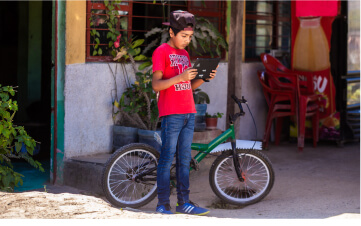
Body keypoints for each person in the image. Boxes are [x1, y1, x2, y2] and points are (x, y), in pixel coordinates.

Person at [152, 10, 217, 215]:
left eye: (190, 37)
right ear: (171, 32)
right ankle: (163, 204)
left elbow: (189, 85)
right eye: (183, 36)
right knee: (167, 158)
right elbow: (156, 85)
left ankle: (184, 203)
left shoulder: (185, 54)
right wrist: (180, 77)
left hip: (189, 111)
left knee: (184, 159)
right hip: (172, 113)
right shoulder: (161, 52)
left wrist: (204, 78)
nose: (187, 41)